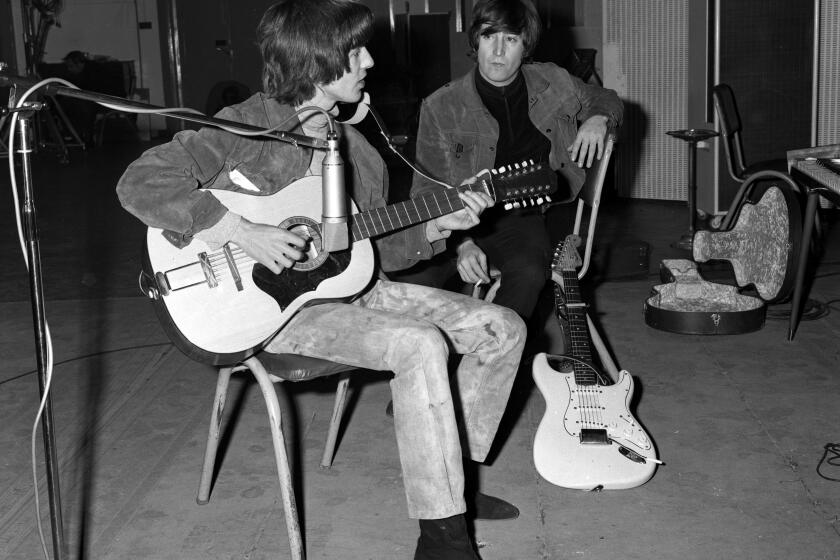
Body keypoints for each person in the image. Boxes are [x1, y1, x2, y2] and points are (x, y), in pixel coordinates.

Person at [115, 1, 526, 558]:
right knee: (420, 343)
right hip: (279, 312)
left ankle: (454, 488)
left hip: (352, 289)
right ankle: (443, 538)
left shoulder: (356, 147)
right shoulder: (246, 125)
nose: (371, 62)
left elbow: (378, 254)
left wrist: (438, 224)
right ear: (318, 61)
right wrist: (238, 228)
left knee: (502, 327)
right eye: (357, 51)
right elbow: (138, 183)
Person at [403, 0, 623, 329]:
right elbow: (426, 189)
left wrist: (597, 118)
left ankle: (492, 354)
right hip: (452, 221)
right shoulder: (441, 106)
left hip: (520, 216)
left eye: (511, 39)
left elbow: (605, 97)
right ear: (476, 40)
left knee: (529, 270)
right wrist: (462, 243)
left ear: (525, 47)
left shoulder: (553, 82)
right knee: (407, 283)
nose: (498, 51)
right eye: (490, 36)